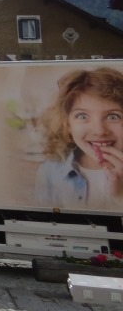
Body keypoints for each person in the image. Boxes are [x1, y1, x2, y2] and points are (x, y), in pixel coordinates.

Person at [36, 67, 123, 209]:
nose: (99, 131)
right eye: (82, 116)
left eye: (113, 116)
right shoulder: (50, 171)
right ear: (67, 125)